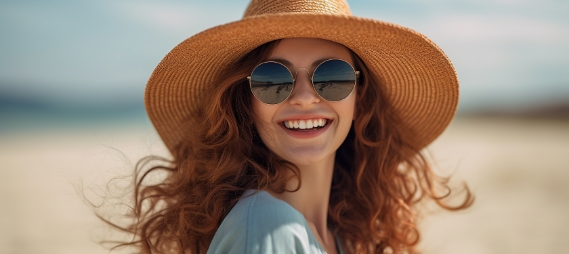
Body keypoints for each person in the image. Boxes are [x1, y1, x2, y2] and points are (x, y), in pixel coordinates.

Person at [108, 0, 473, 253]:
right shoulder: (266, 229)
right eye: (272, 78)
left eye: (333, 76)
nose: (303, 97)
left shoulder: (336, 235)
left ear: (361, 98)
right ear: (245, 104)